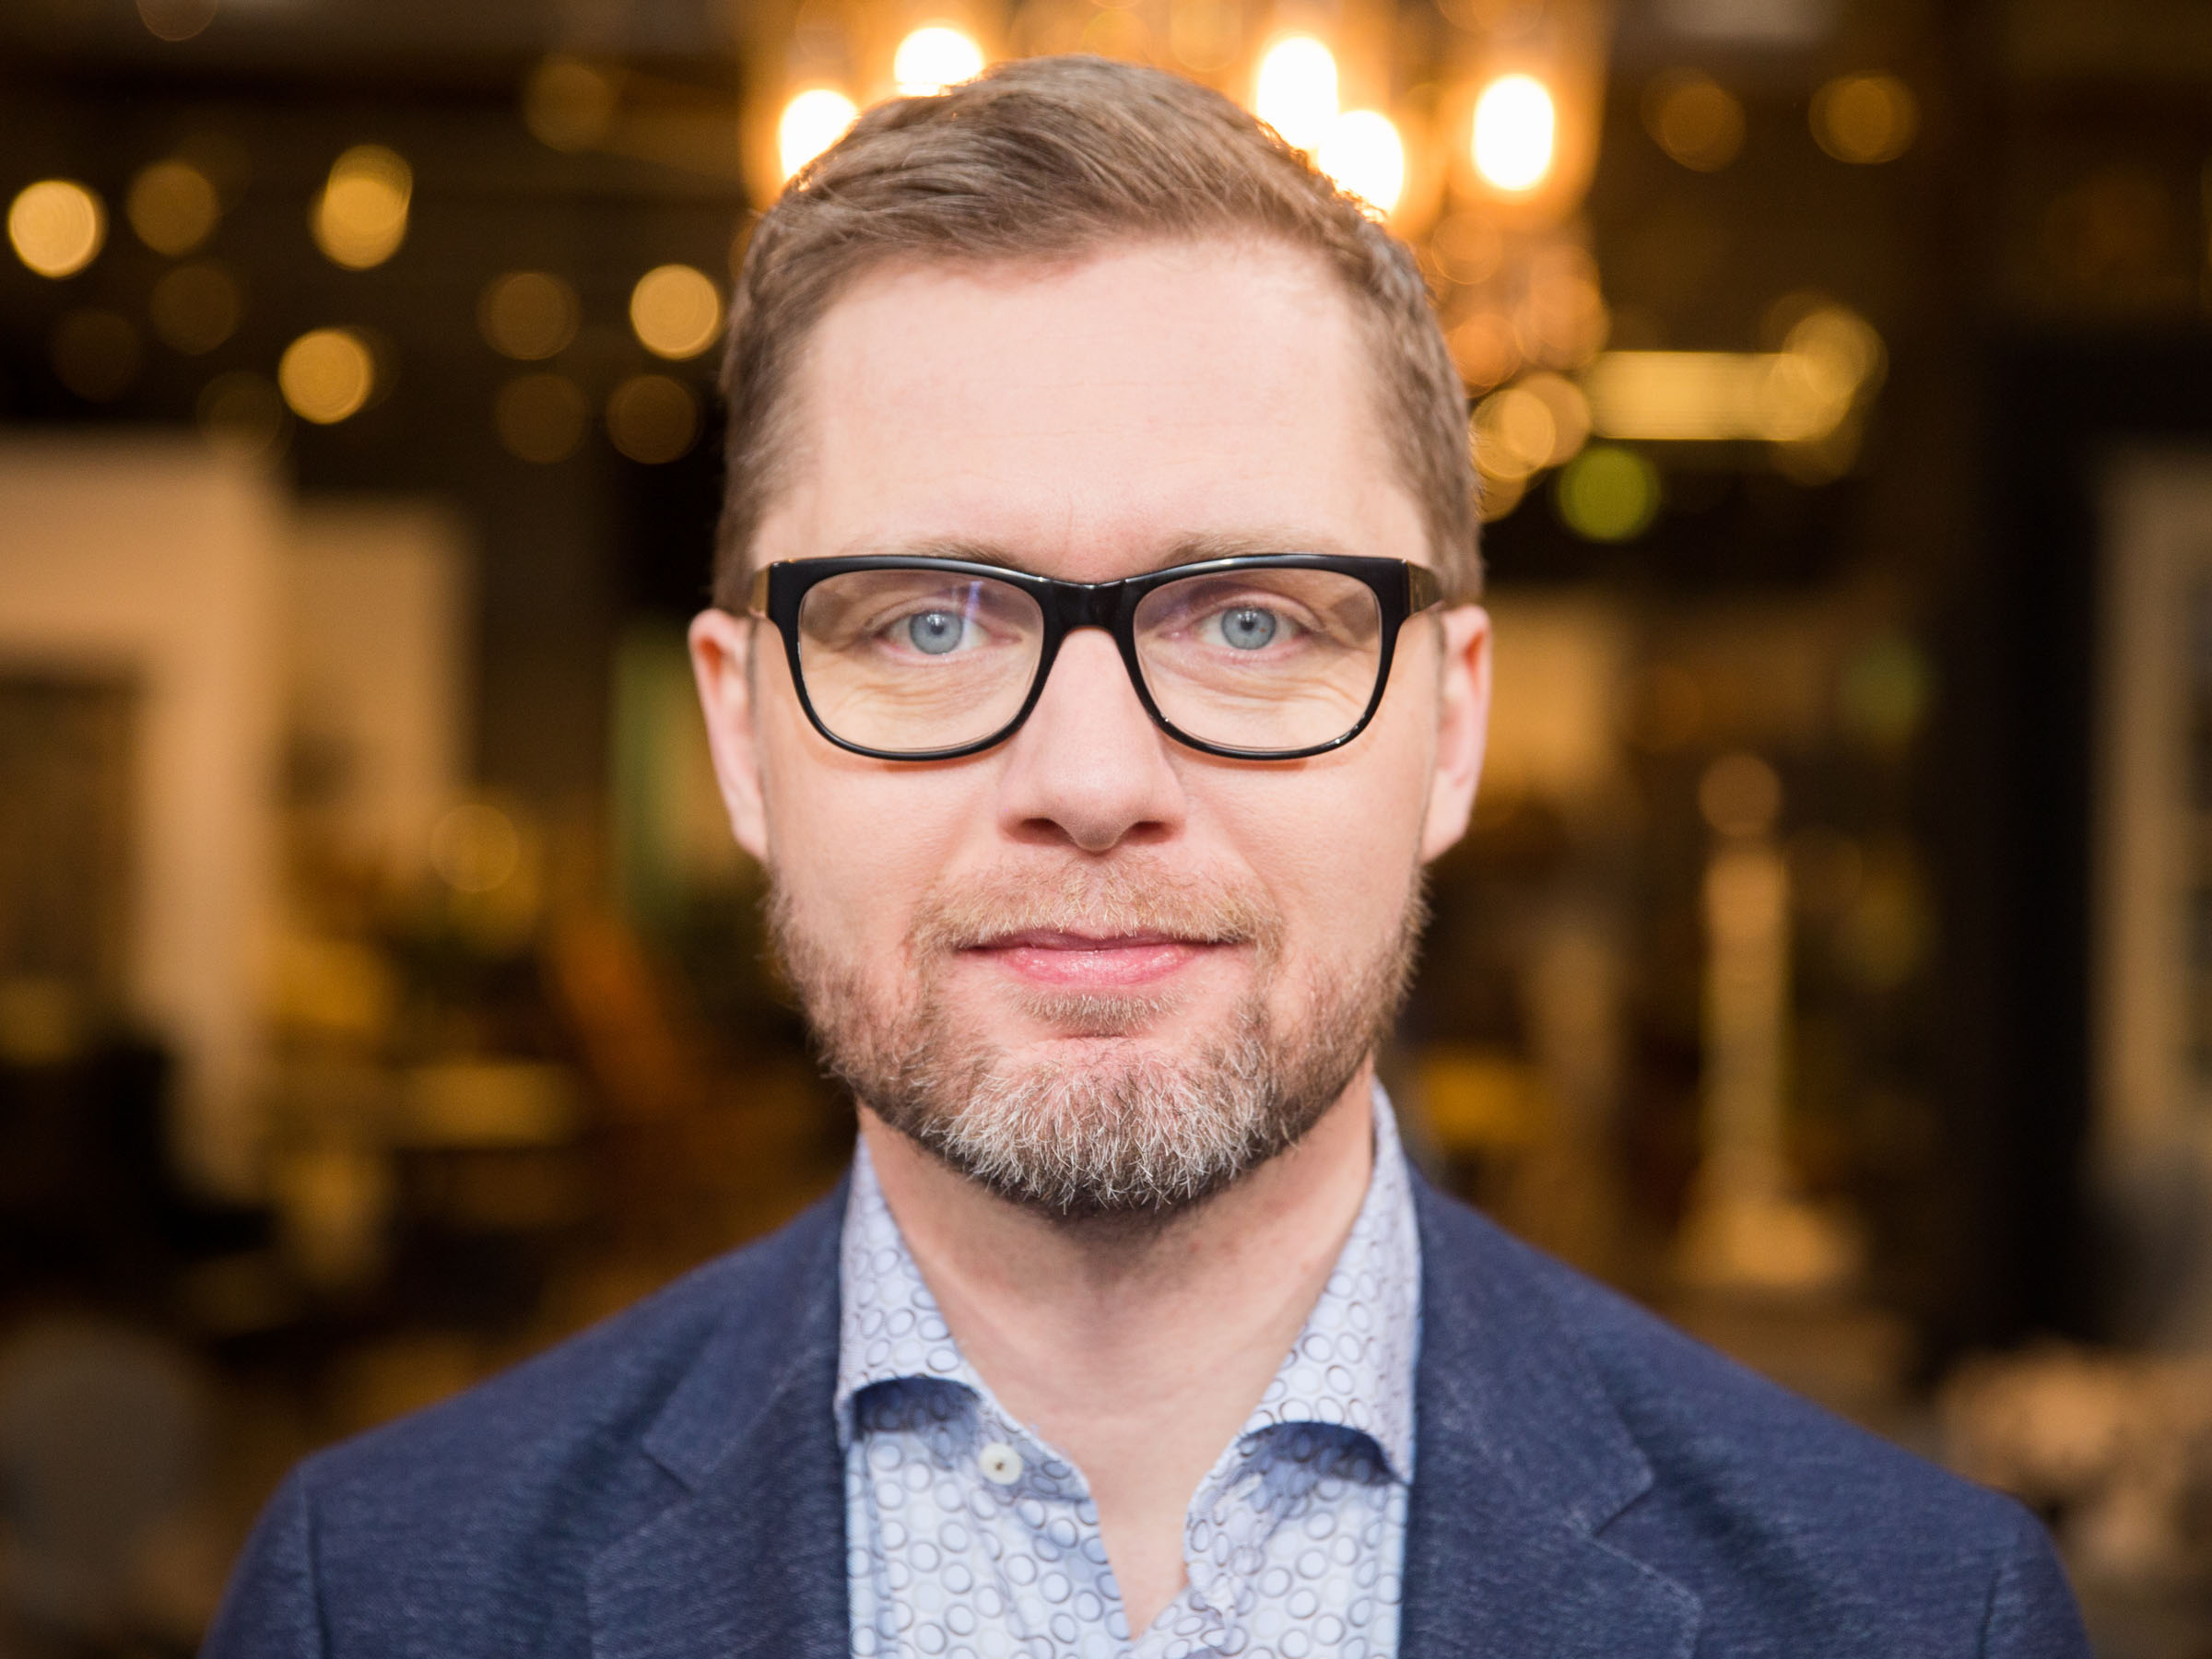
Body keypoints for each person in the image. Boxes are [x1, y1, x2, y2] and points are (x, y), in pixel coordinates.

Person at [206, 55, 2088, 1659]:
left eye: (1252, 621)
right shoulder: (377, 1600)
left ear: (1450, 726)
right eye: (927, 622)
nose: (1092, 779)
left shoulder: (1917, 1615)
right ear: (740, 733)